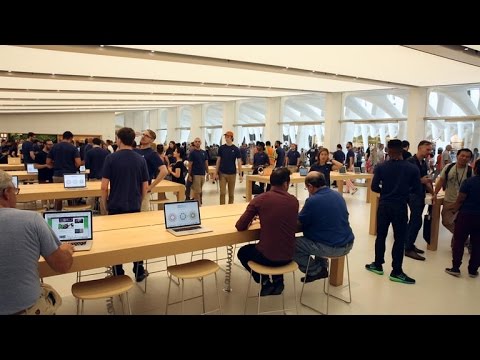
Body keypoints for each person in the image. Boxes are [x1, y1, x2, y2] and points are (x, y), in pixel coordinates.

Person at [0, 170, 74, 315]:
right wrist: (65, 251)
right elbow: (62, 265)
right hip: (25, 309)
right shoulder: (31, 220)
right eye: (15, 191)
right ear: (6, 193)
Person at [365, 139, 422, 284]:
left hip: (384, 205)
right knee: (399, 239)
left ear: (388, 151)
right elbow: (416, 189)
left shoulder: (381, 167)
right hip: (400, 206)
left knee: (381, 236)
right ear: (402, 151)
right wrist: (403, 191)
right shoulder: (412, 169)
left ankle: (377, 265)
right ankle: (396, 271)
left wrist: (385, 192)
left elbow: (374, 187)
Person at [236, 168, 299, 296]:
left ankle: (265, 282)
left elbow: (240, 226)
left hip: (268, 258)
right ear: (286, 183)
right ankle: (278, 280)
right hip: (289, 255)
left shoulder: (260, 200)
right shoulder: (294, 201)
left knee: (243, 252)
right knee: (278, 244)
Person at [101, 127, 149, 282]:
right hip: (134, 204)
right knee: (137, 239)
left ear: (119, 140)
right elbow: (145, 186)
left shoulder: (111, 158)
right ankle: (138, 269)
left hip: (115, 204)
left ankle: (118, 271)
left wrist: (104, 205)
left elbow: (104, 186)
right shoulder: (140, 159)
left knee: (116, 241)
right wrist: (139, 201)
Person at [295, 171, 354, 283]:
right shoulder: (338, 195)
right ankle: (322, 266)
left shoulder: (313, 201)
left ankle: (315, 270)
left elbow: (299, 222)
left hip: (332, 247)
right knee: (320, 234)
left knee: (291, 244)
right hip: (347, 243)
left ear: (310, 187)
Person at [445, 159, 480, 277]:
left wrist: (454, 209)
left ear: (475, 169)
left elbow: (460, 199)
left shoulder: (469, 182)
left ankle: (455, 268)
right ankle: (473, 270)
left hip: (466, 215)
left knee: (459, 241)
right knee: (477, 244)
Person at [434, 148, 473, 244]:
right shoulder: (448, 167)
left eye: (467, 157)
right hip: (449, 200)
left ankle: (456, 243)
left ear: (470, 159)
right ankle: (464, 238)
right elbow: (441, 181)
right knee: (446, 221)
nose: (464, 158)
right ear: (457, 156)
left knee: (460, 223)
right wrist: (435, 193)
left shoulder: (470, 171)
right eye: (462, 155)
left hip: (464, 202)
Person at [404, 140, 434, 261]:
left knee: (414, 221)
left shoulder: (423, 163)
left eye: (430, 150)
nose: (429, 152)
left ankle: (409, 244)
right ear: (420, 148)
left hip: (419, 194)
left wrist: (433, 193)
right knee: (416, 221)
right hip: (412, 195)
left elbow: (424, 179)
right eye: (427, 149)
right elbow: (405, 180)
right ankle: (408, 248)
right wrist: (420, 181)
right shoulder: (410, 162)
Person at [134, 129, 168, 212]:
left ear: (152, 140)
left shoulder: (152, 154)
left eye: (147, 136)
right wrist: (132, 136)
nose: (143, 137)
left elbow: (164, 171)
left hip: (143, 189)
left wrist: (151, 186)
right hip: (132, 188)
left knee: (142, 214)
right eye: (143, 134)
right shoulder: (135, 150)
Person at [47, 131, 81, 210]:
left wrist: (55, 165)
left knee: (58, 196)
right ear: (71, 138)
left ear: (63, 137)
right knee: (71, 196)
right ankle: (70, 211)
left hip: (57, 174)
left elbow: (48, 162)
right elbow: (78, 163)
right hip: (70, 175)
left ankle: (58, 213)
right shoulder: (73, 148)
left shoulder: (54, 147)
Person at [214, 131, 243, 204]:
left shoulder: (236, 149)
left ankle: (230, 207)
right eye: (225, 136)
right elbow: (218, 161)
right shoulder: (221, 148)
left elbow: (239, 162)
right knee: (222, 192)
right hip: (222, 173)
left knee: (231, 194)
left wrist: (240, 174)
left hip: (232, 173)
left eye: (227, 136)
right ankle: (222, 207)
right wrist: (215, 172)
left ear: (231, 137)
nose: (226, 138)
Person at [187, 137, 209, 206]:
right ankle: (198, 205)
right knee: (197, 191)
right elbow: (190, 165)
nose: (197, 143)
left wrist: (207, 172)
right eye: (196, 141)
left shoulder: (204, 152)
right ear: (194, 143)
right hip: (195, 174)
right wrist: (189, 175)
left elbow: (206, 163)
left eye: (199, 141)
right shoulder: (192, 153)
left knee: (200, 190)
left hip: (202, 173)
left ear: (201, 143)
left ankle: (199, 203)